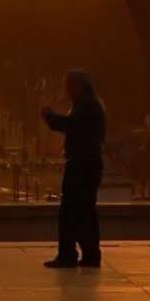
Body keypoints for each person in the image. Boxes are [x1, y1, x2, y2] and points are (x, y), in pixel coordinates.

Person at [40, 69, 107, 268]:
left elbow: (70, 126)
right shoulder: (91, 104)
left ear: (78, 86)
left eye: (69, 86)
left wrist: (50, 116)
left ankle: (68, 254)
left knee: (70, 211)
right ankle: (90, 254)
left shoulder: (86, 106)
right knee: (85, 211)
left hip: (81, 164)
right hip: (89, 163)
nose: (67, 91)